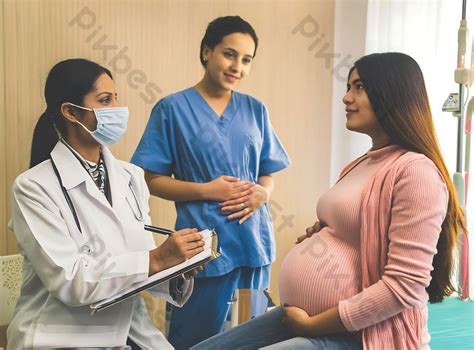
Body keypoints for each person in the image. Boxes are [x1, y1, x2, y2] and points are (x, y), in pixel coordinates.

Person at [192, 52, 466, 350]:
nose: (347, 98)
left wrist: (311, 325)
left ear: (392, 93)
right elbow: (359, 233)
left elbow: (405, 286)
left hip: (364, 335)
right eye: (349, 87)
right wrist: (325, 233)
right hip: (307, 317)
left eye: (359, 87)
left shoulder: (416, 172)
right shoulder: (360, 164)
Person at [6, 58, 205, 349]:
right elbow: (70, 281)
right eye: (105, 100)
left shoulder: (131, 176)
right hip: (59, 336)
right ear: (71, 112)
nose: (118, 110)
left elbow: (138, 263)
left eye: (116, 98)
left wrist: (175, 268)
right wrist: (156, 259)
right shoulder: (33, 187)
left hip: (127, 330)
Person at [131, 16, 291, 349]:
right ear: (207, 52)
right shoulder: (172, 109)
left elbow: (268, 172)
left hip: (253, 244)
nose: (238, 67)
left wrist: (264, 193)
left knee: (250, 335)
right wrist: (207, 190)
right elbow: (149, 179)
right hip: (203, 247)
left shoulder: (255, 110)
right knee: (196, 340)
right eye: (229, 54)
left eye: (247, 60)